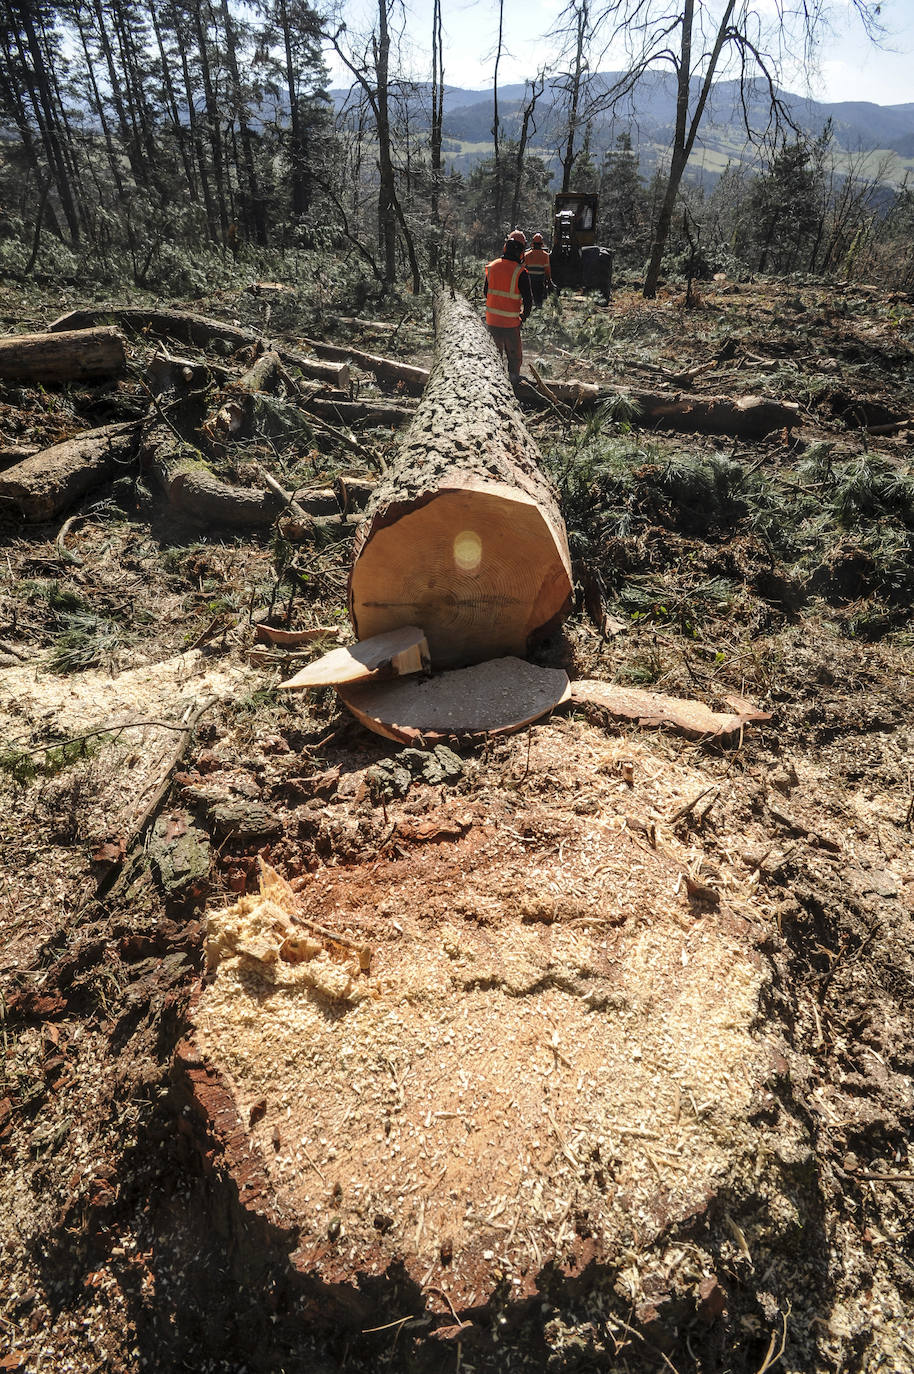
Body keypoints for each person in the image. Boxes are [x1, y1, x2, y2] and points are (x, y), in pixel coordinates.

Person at [483, 230, 533, 386]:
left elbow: (486, 292)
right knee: (514, 357)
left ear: (506, 247)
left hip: (492, 321)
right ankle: (513, 385)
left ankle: (491, 384)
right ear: (521, 251)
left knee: (493, 356)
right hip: (511, 324)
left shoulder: (492, 267)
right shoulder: (521, 272)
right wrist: (522, 317)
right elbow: (528, 301)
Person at [524, 232, 552, 308]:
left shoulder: (526, 255)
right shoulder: (545, 255)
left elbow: (523, 269)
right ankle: (538, 308)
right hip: (540, 282)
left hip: (529, 281)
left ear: (533, 243)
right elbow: (547, 270)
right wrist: (549, 281)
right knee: (539, 300)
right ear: (541, 244)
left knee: (529, 298)